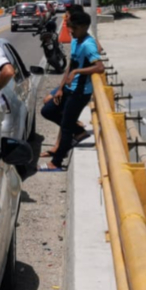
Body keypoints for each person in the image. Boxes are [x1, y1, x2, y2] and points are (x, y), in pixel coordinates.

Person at [43, 10, 104, 171]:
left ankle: (56, 163)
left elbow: (99, 67)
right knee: (47, 111)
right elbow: (71, 65)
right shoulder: (76, 40)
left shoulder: (88, 44)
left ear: (84, 27)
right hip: (69, 89)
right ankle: (79, 132)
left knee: (66, 126)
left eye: (74, 28)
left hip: (80, 92)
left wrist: (77, 72)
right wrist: (60, 88)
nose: (70, 31)